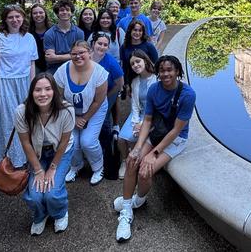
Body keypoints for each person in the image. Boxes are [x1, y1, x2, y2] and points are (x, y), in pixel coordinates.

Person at [114, 55, 196, 242]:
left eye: (170, 70)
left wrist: (154, 153)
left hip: (175, 140)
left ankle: (139, 200)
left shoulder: (188, 94)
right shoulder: (154, 89)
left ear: (177, 72)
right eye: (162, 70)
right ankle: (126, 211)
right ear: (158, 72)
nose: (166, 73)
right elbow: (148, 120)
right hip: (156, 132)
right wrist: (138, 147)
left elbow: (176, 130)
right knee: (132, 161)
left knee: (145, 171)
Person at [16, 73, 75, 236]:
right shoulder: (22, 111)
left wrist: (53, 168)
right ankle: (40, 215)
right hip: (37, 153)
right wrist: (38, 170)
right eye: (38, 90)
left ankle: (60, 212)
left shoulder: (67, 110)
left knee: (52, 193)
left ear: (55, 91)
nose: (43, 94)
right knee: (34, 195)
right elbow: (26, 143)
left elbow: (64, 142)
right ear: (31, 92)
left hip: (60, 151)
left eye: (48, 89)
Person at [0, 5, 37, 168]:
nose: (15, 20)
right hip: (2, 83)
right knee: (8, 123)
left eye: (18, 16)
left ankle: (24, 157)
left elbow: (31, 63)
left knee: (25, 121)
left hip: (24, 83)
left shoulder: (29, 37)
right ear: (5, 19)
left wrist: (32, 87)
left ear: (23, 18)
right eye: (11, 17)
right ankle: (7, 161)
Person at [53, 40, 108, 185]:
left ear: (90, 53)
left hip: (95, 109)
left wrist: (84, 118)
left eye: (81, 53)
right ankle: (76, 166)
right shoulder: (61, 71)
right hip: (69, 110)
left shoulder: (100, 73)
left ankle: (98, 167)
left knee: (87, 141)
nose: (78, 56)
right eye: (74, 54)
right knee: (71, 142)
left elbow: (98, 101)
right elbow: (58, 98)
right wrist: (74, 117)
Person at [116, 50, 155, 179]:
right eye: (132, 64)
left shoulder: (156, 79)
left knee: (134, 139)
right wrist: (136, 122)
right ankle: (124, 161)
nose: (135, 65)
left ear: (145, 60)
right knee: (121, 139)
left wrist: (142, 124)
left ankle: (134, 161)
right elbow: (135, 106)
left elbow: (157, 108)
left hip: (152, 116)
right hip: (138, 114)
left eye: (138, 61)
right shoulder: (135, 82)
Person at [44, 0, 84, 74]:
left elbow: (80, 55)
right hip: (54, 70)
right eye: (62, 10)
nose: (65, 12)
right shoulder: (49, 34)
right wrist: (72, 55)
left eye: (68, 10)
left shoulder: (79, 33)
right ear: (57, 14)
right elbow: (50, 58)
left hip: (74, 68)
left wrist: (56, 57)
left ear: (72, 13)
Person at [120, 20, 159, 90]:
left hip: (148, 80)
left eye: (140, 31)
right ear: (130, 31)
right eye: (135, 30)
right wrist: (126, 84)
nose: (137, 33)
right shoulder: (124, 47)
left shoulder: (149, 46)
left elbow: (157, 64)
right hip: (132, 81)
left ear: (143, 32)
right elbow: (125, 67)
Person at [30, 3, 52, 74]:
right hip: (34, 65)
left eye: (41, 12)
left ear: (45, 14)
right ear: (31, 16)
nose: (38, 15)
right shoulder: (28, 32)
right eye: (35, 13)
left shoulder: (52, 30)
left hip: (51, 65)